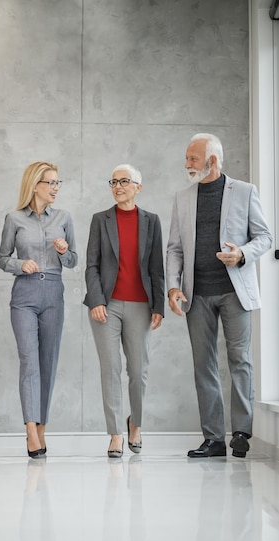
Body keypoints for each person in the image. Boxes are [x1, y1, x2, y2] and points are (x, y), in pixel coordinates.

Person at [166, 133, 272, 459]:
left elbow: (265, 237)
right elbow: (174, 248)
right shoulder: (182, 197)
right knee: (204, 365)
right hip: (197, 294)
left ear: (212, 161)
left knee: (240, 360)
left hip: (234, 292)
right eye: (187, 158)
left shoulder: (244, 191)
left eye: (193, 159)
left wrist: (241, 253)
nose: (187, 165)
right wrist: (173, 286)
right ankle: (213, 439)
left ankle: (241, 432)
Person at [0, 161, 77, 458]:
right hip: (25, 295)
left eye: (58, 183)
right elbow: (2, 258)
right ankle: (31, 429)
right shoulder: (14, 218)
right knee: (29, 362)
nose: (56, 188)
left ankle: (42, 428)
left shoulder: (64, 218)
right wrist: (20, 264)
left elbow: (73, 261)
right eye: (51, 183)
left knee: (48, 363)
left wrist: (64, 251)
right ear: (35, 185)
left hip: (54, 293)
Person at [84, 164, 165, 458]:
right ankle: (116, 433)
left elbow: (156, 267)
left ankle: (136, 424)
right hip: (107, 305)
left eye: (124, 181)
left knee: (139, 371)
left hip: (142, 305)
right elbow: (91, 265)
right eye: (114, 181)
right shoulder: (100, 220)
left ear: (138, 187)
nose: (118, 186)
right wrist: (96, 300)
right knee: (111, 370)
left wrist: (159, 306)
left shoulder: (151, 221)